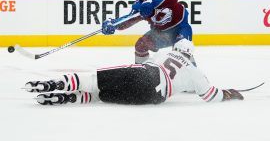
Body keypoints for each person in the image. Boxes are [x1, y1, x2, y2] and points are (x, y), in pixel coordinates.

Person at [24, 39, 244, 106]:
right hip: (152, 96)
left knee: (94, 80)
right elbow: (209, 95)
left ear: (177, 49)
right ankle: (70, 98)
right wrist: (227, 93)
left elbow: (144, 61)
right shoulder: (195, 71)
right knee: (103, 96)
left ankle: (53, 84)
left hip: (145, 73)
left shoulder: (166, 54)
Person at [102, 0, 193, 64]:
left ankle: (192, 71)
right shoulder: (139, 5)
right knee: (141, 45)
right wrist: (114, 24)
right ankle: (141, 73)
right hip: (161, 34)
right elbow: (129, 19)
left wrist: (151, 4)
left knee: (182, 48)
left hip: (180, 27)